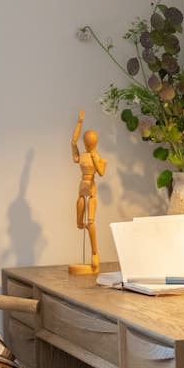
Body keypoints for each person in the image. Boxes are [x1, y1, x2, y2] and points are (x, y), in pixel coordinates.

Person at [69, 110, 107, 274]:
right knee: (80, 217)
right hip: (82, 186)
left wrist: (94, 157)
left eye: (89, 142)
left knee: (91, 222)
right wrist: (79, 122)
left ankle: (94, 252)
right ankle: (78, 221)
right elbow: (73, 142)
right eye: (86, 142)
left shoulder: (97, 158)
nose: (87, 144)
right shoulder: (82, 156)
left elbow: (101, 172)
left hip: (91, 187)